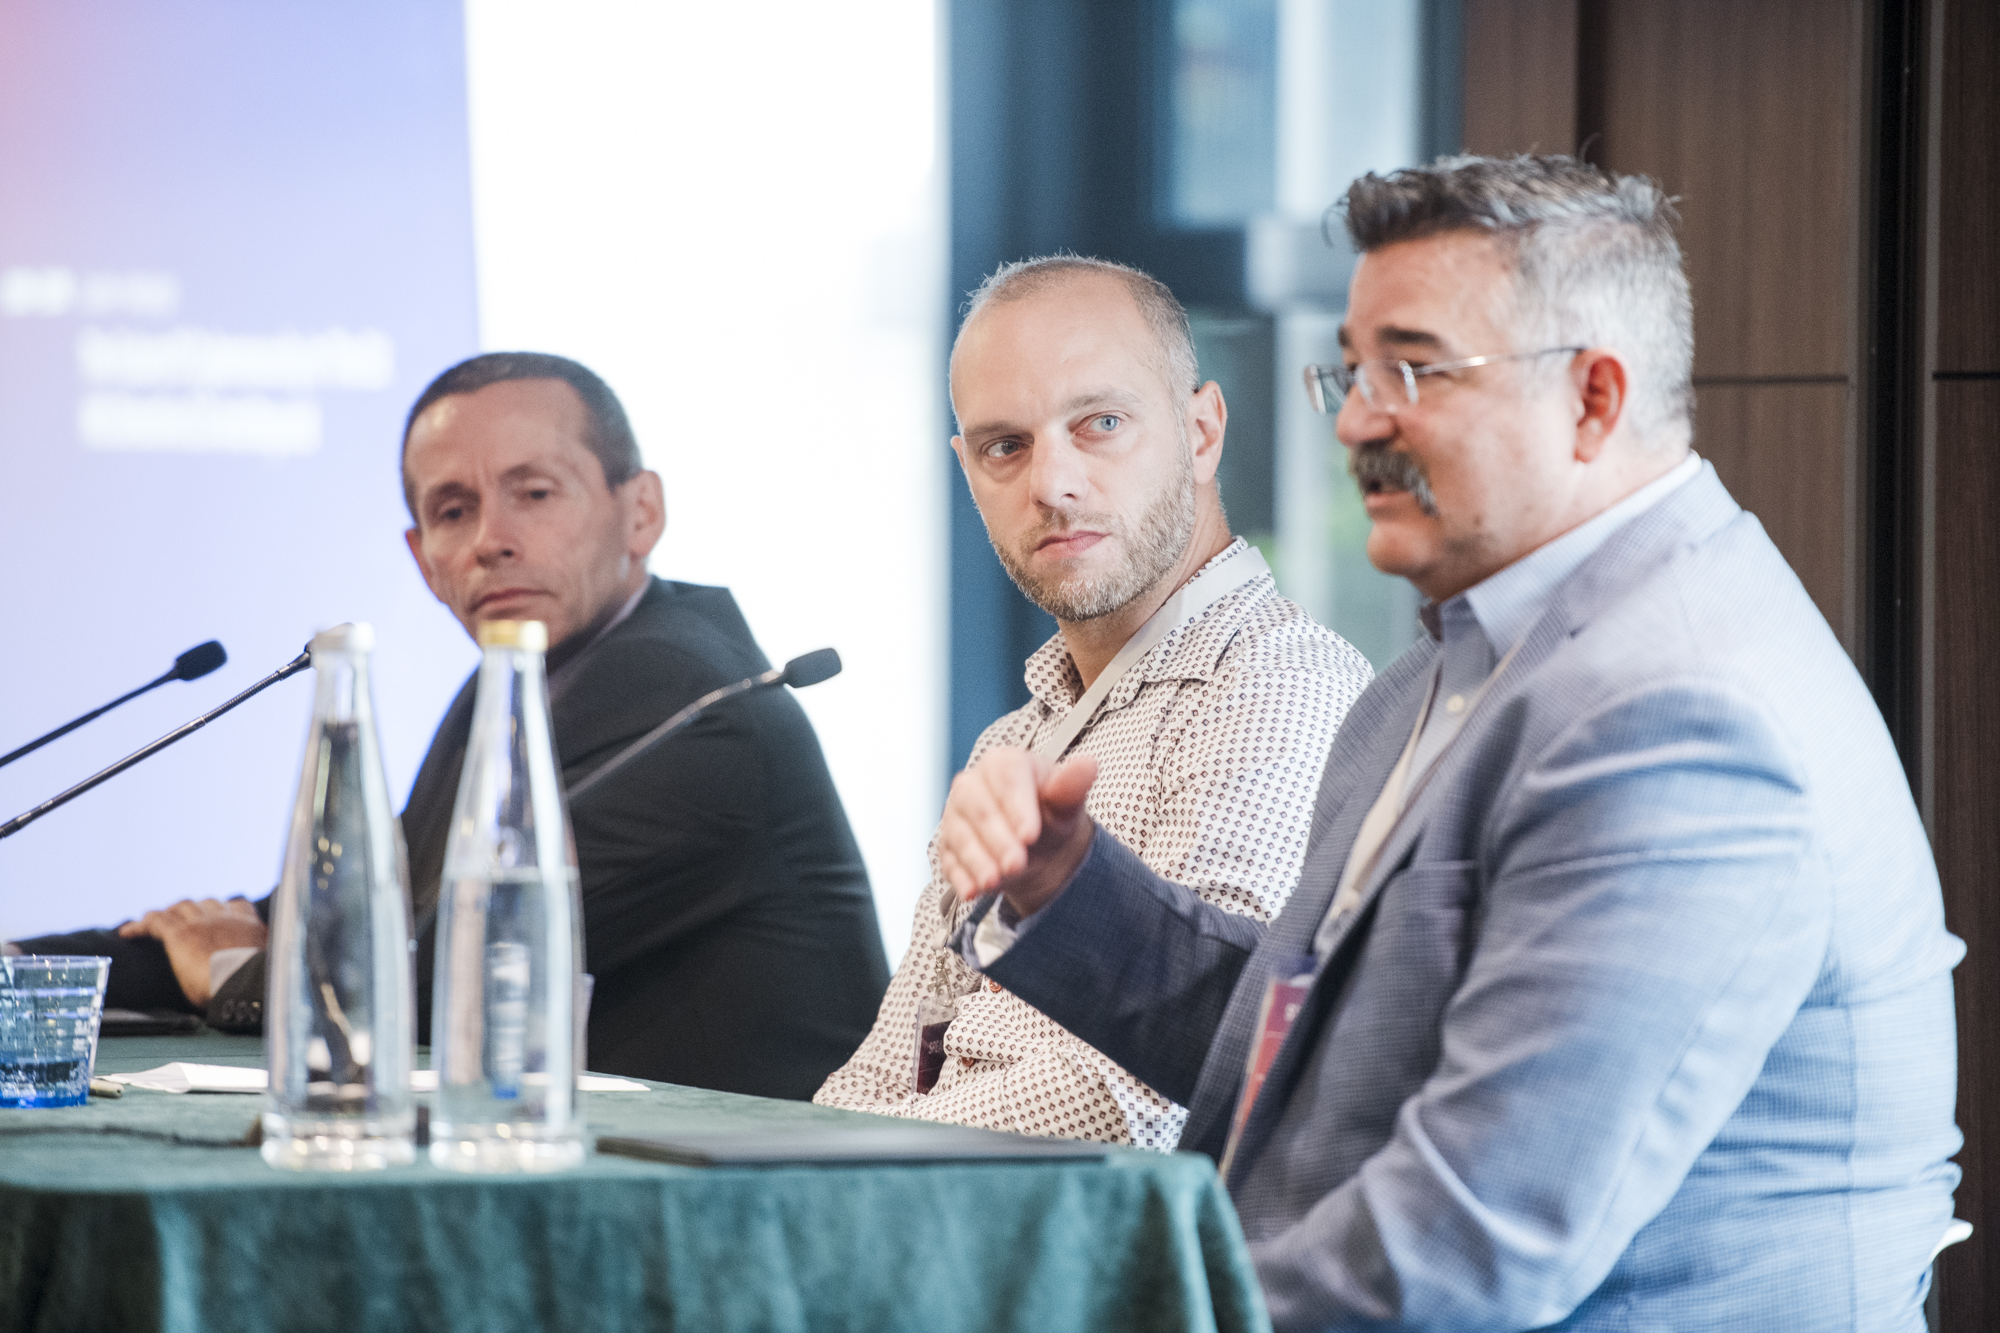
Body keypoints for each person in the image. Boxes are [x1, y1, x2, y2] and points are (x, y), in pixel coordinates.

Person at [935, 157, 1963, 1328]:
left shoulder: (1679, 709)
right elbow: (1316, 1043)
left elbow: (1475, 1236)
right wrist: (1066, 887)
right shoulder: (1449, 659)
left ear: (1591, 399)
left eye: (1413, 370)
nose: (1355, 419)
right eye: (1352, 371)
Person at [17, 352, 891, 1100]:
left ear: (642, 513)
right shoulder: (507, 690)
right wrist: (20, 960)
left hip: (742, 1205)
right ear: (422, 559)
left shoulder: (690, 696)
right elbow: (337, 912)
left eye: (534, 493)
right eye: (452, 510)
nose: (489, 540)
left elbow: (451, 979)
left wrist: (227, 968)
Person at [814, 257, 1372, 1148]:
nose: (1052, 483)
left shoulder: (1279, 682)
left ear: (1201, 431)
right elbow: (887, 1061)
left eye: (1101, 423)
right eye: (1005, 446)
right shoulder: (1014, 737)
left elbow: (1159, 1094)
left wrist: (858, 1162)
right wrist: (816, 1163)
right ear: (968, 470)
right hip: (948, 1202)